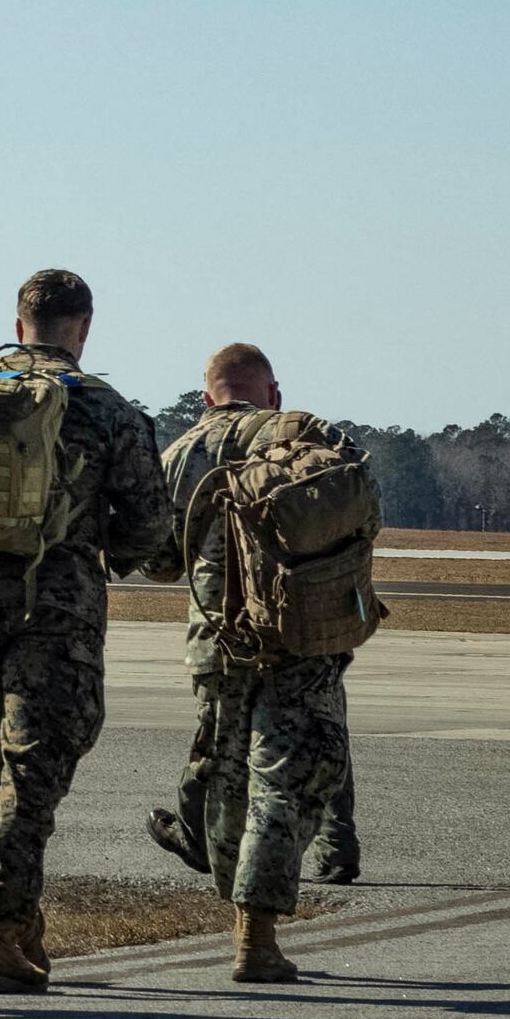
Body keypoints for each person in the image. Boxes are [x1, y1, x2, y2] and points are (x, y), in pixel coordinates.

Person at [0, 269, 175, 991]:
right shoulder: (105, 410)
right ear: (84, 328)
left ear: (18, 323)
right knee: (32, 777)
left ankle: (17, 917)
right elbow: (145, 529)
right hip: (56, 612)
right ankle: (0, 927)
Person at [159, 343, 361, 983]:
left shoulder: (182, 452)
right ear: (273, 393)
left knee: (227, 776)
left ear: (205, 395)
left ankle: (237, 914)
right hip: (298, 635)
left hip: (217, 642)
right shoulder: (303, 439)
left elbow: (157, 559)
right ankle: (257, 934)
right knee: (285, 781)